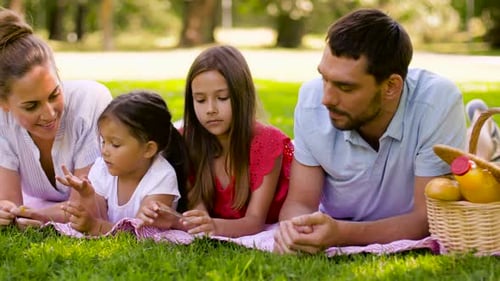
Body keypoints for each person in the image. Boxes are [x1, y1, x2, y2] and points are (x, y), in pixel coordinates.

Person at [273, 8, 467, 254]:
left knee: (477, 164)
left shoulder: (437, 102)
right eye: (324, 78)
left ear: (390, 87)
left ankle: (484, 138)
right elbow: (299, 203)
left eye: (345, 86)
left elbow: (426, 219)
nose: (327, 98)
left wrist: (340, 234)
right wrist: (294, 232)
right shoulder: (311, 101)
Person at [0, 8, 112, 227]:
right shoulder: (3, 122)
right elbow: (9, 203)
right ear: (3, 103)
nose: (49, 114)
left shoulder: (89, 102)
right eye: (31, 106)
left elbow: (83, 207)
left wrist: (31, 215)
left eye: (54, 94)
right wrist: (6, 212)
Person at [180, 45, 294, 237]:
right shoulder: (186, 140)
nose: (210, 109)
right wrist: (200, 222)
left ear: (242, 96)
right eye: (200, 100)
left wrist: (214, 228)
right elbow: (198, 216)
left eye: (222, 98)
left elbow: (255, 222)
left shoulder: (267, 143)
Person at [57, 90, 189, 235]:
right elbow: (100, 218)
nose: (104, 151)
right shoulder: (102, 168)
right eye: (103, 141)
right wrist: (88, 195)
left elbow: (141, 233)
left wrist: (96, 227)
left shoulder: (161, 177)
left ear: (148, 149)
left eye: (115, 144)